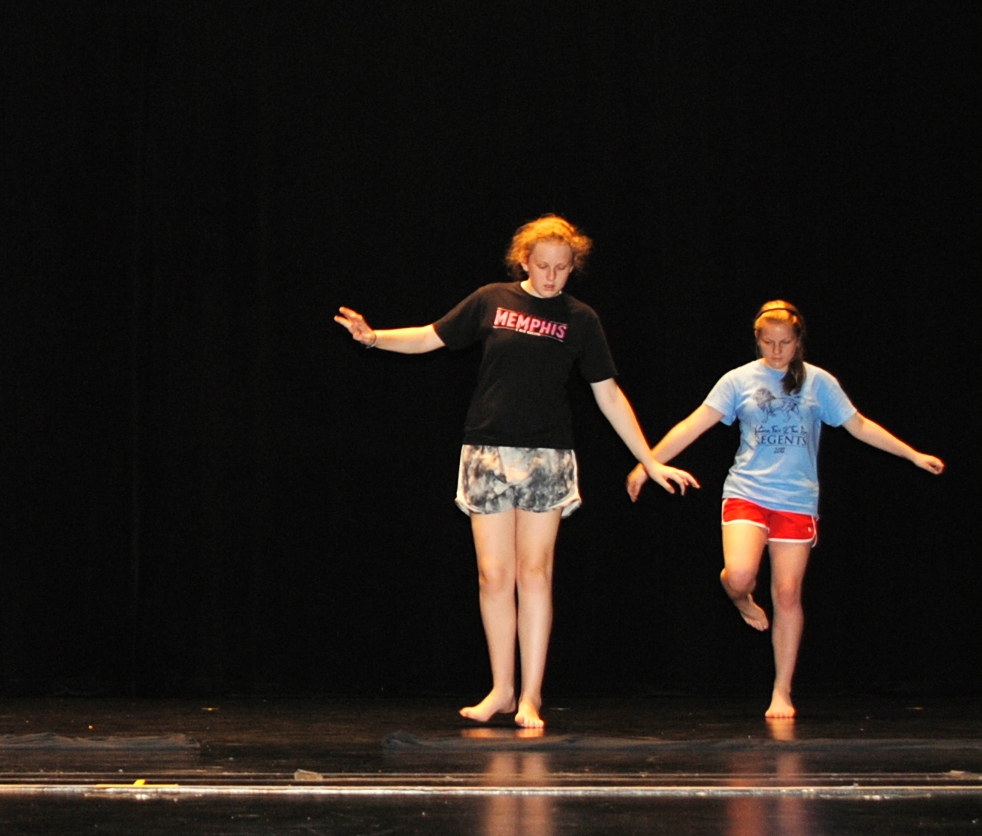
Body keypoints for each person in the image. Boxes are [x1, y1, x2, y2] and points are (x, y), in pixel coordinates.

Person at [334, 215, 697, 729]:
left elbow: (608, 394)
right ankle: (501, 688)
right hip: (486, 451)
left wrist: (648, 457)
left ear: (574, 268)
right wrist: (374, 339)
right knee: (494, 575)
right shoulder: (492, 300)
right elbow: (431, 337)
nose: (551, 278)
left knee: (534, 573)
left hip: (546, 457)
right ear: (523, 261)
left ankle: (531, 695)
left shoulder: (580, 319)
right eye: (542, 266)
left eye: (562, 269)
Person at [625, 300, 944, 720]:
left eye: (785, 343)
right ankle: (740, 600)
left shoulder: (818, 383)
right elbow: (693, 424)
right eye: (768, 343)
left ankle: (781, 689)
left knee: (788, 593)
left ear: (798, 342)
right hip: (748, 490)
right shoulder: (738, 380)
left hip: (796, 499)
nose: (776, 352)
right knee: (740, 575)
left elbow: (859, 425)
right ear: (757, 340)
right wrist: (647, 464)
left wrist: (912, 455)